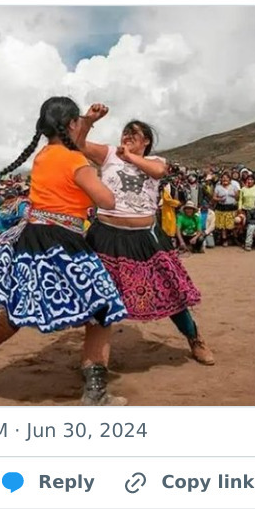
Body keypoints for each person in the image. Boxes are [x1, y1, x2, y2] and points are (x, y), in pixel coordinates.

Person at [0, 97, 128, 406]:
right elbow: (106, 201)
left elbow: (70, 149)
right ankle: (95, 392)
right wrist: (106, 181)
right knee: (103, 309)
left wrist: (88, 122)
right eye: (78, 120)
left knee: (12, 314)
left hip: (31, 240)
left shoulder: (43, 156)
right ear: (70, 125)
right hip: (64, 241)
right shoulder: (76, 162)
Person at [80, 108, 214, 366]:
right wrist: (88, 121)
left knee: (170, 290)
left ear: (146, 142)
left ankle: (195, 338)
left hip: (145, 238)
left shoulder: (156, 160)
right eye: (125, 132)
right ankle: (95, 361)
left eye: (135, 134)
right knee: (98, 295)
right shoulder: (108, 154)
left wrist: (129, 156)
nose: (128, 136)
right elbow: (77, 143)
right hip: (105, 236)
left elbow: (157, 173)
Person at [213, 172, 239, 247]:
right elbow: (214, 197)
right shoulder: (218, 187)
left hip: (232, 208)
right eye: (223, 178)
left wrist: (235, 195)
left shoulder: (234, 187)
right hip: (221, 208)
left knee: (233, 225)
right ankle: (224, 240)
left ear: (230, 179)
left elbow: (238, 197)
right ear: (221, 179)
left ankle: (235, 239)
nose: (225, 179)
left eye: (226, 178)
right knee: (223, 226)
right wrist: (219, 199)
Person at [238, 173, 255, 251]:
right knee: (251, 226)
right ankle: (248, 244)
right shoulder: (243, 189)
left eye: (251, 179)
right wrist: (239, 209)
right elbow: (240, 200)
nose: (249, 181)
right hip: (246, 211)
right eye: (248, 179)